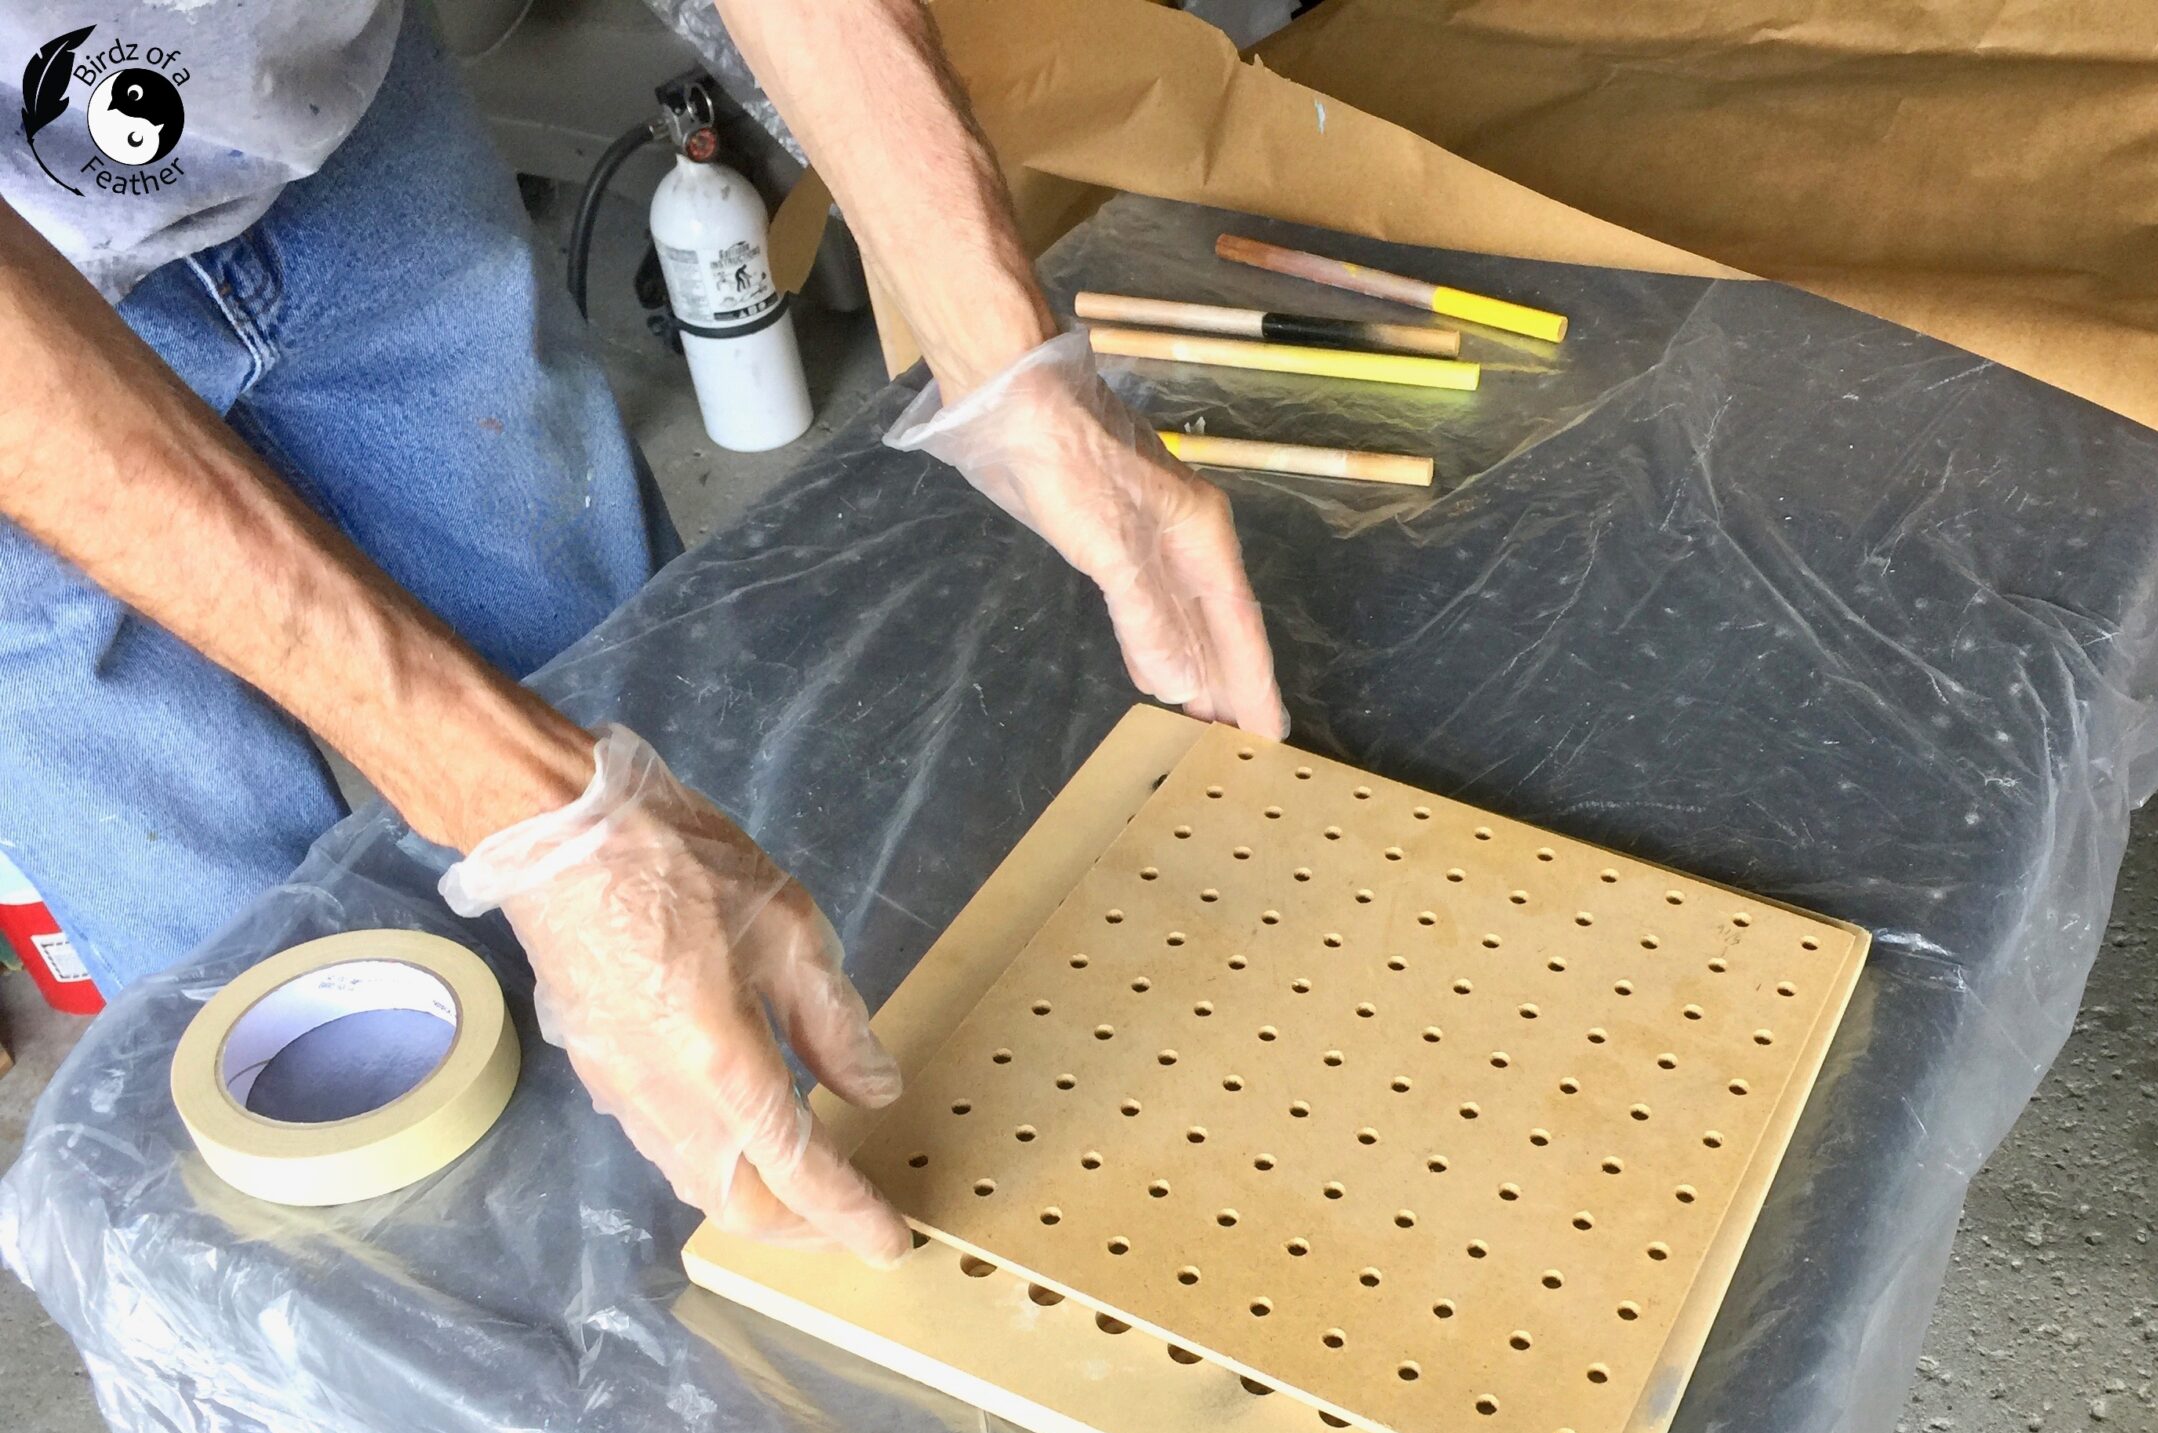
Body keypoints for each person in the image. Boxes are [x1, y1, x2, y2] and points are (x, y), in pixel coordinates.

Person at [0, 0, 1285, 1266]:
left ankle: (736, 1208)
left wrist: (1014, 372)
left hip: (322, 107)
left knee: (657, 742)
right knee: (274, 1031)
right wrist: (538, 816)